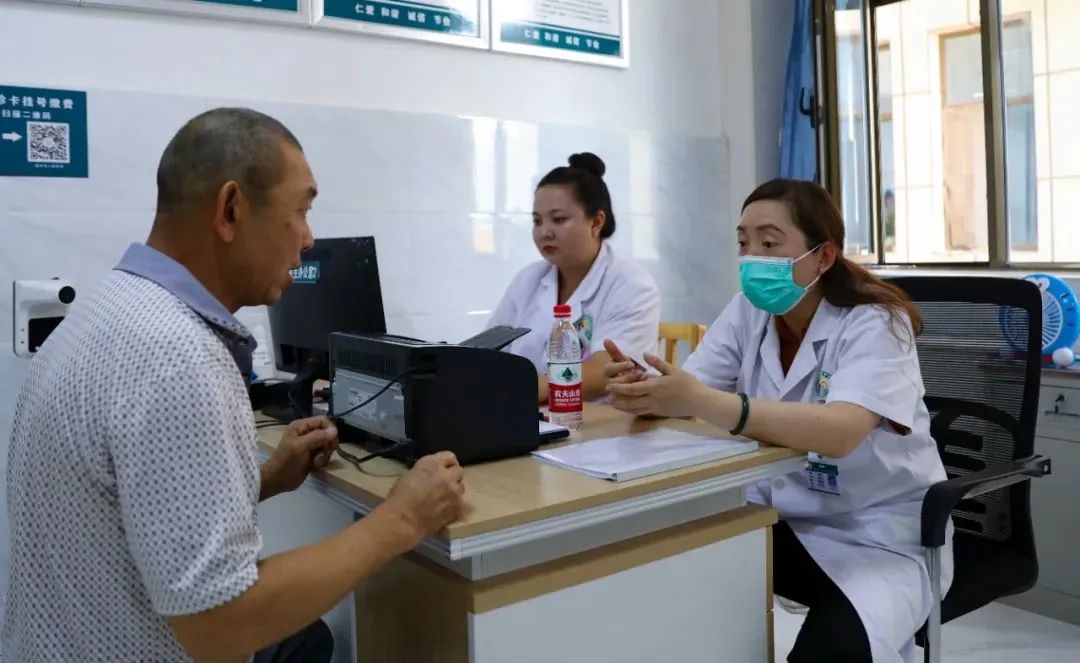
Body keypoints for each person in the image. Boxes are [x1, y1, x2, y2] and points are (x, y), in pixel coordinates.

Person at [2, 108, 466, 663]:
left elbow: (127, 508)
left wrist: (263, 479)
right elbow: (222, 624)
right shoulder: (180, 357)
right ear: (230, 210)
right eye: (302, 211)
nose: (308, 239)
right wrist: (403, 518)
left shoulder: (107, 309)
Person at [603, 179, 953, 663]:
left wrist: (707, 402)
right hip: (778, 516)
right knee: (672, 588)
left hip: (878, 531)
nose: (752, 258)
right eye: (743, 243)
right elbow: (692, 392)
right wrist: (649, 389)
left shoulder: (877, 321)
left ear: (823, 256)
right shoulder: (748, 311)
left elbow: (840, 432)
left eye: (769, 243)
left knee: (828, 655)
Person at [487, 152, 660, 404]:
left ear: (596, 222)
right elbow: (489, 351)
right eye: (537, 221)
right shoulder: (529, 279)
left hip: (606, 420)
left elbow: (604, 371)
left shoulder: (632, 285)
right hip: (536, 414)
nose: (544, 232)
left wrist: (519, 390)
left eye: (558, 219)